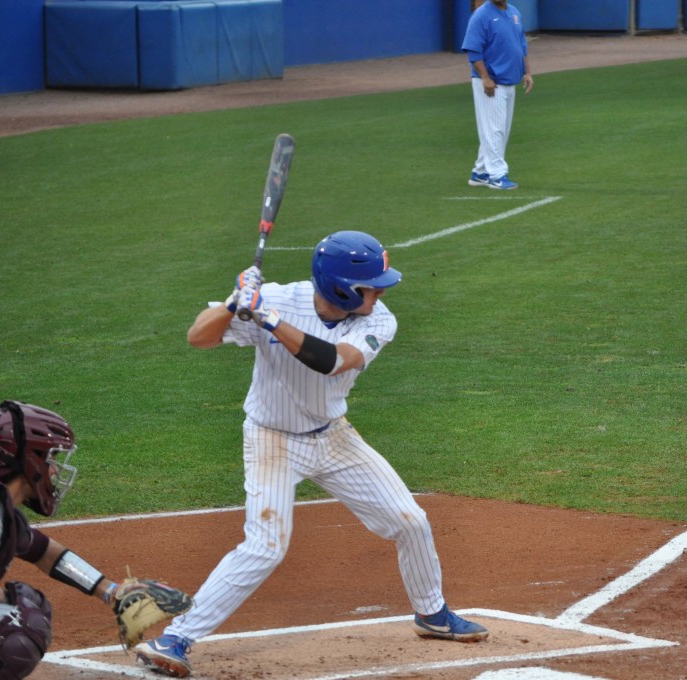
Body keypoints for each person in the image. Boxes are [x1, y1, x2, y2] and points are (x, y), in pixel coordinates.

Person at [134, 230, 488, 678]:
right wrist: (231, 305)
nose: (380, 293)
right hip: (272, 440)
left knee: (410, 520)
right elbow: (198, 338)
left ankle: (432, 614)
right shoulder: (279, 297)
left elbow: (332, 360)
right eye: (371, 286)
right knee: (264, 547)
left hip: (334, 437)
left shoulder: (378, 321)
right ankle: (176, 639)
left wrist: (268, 319)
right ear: (341, 286)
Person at [0, 400, 191, 678]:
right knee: (19, 623)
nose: (56, 471)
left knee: (29, 607)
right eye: (52, 460)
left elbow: (44, 552)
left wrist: (111, 592)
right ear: (31, 460)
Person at [461, 0, 534, 191]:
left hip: (510, 80)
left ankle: (481, 172)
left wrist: (527, 72)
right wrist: (485, 78)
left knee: (501, 130)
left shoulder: (514, 12)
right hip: (491, 83)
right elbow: (472, 49)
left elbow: (521, 44)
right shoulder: (481, 15)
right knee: (495, 130)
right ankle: (497, 175)